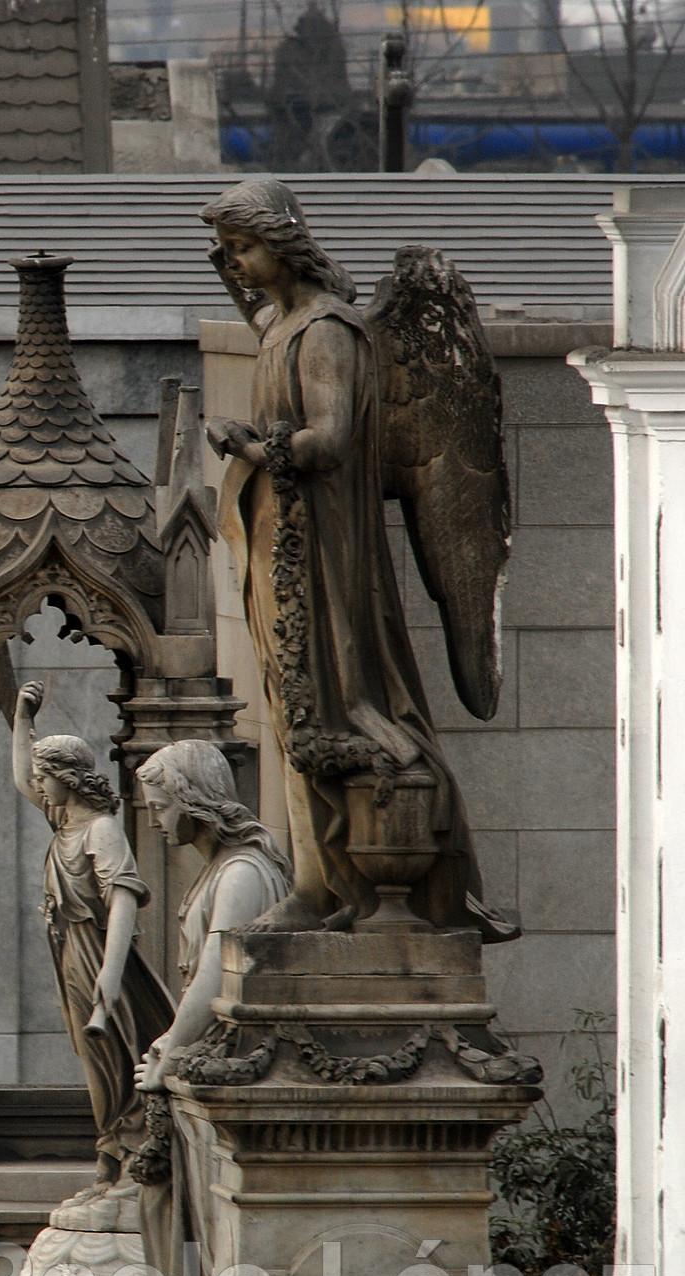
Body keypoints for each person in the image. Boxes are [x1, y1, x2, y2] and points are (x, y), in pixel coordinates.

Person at [200, 178, 507, 938]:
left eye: (243, 247)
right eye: (226, 250)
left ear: (284, 243)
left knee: (327, 698)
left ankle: (332, 885)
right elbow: (267, 330)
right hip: (281, 539)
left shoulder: (328, 332)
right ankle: (313, 881)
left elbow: (329, 439)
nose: (234, 262)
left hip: (323, 550)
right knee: (289, 704)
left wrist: (249, 445)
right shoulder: (282, 325)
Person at [131, 738, 291, 1276]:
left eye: (159, 805)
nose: (153, 818)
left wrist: (170, 1051)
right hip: (207, 1073)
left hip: (223, 1076)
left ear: (193, 800)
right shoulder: (222, 868)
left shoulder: (243, 873)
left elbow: (216, 975)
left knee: (213, 1253)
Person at [12, 680, 175, 1187]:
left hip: (95, 955)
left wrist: (111, 969)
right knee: (93, 1057)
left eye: (45, 777)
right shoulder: (64, 823)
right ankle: (111, 1155)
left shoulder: (100, 830)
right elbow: (20, 779)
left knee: (110, 1056)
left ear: (67, 778)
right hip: (70, 952)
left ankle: (124, 1155)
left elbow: (123, 898)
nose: (38, 785)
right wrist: (22, 720)